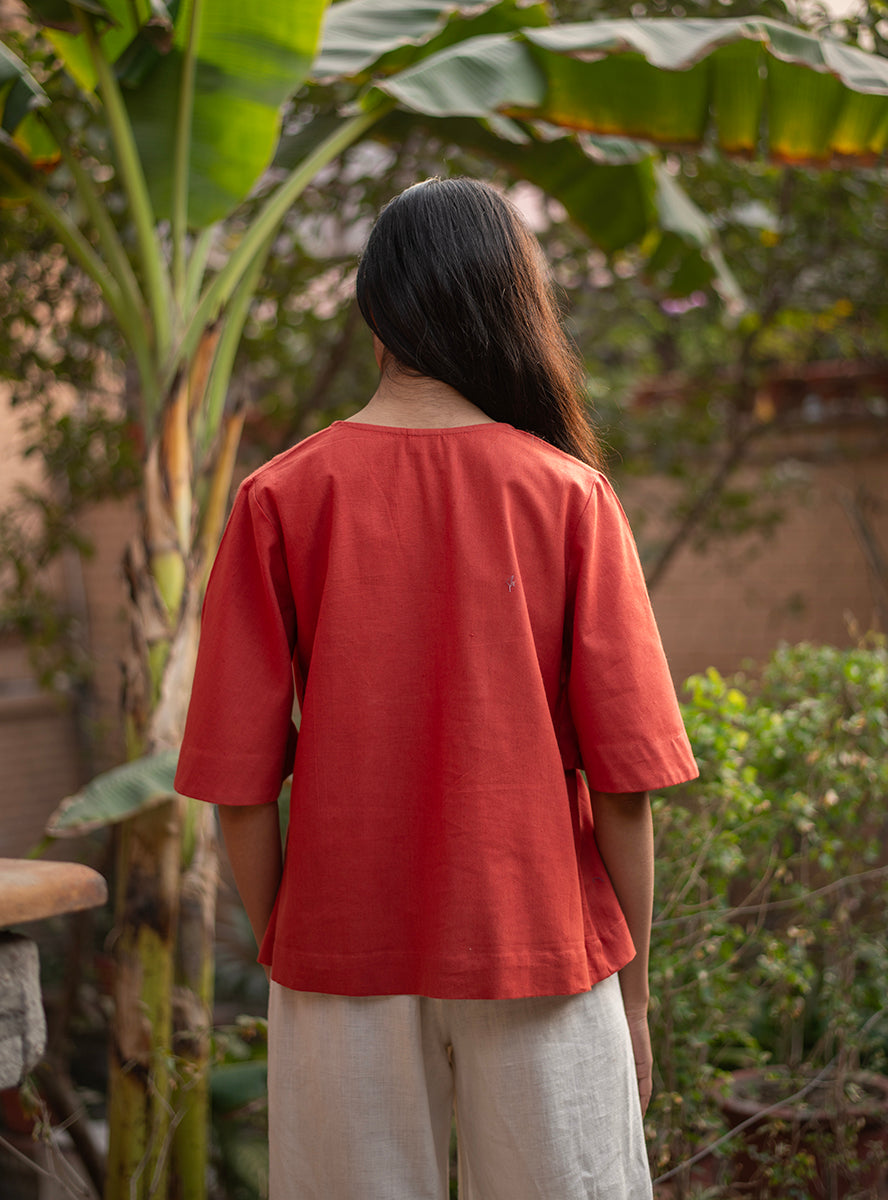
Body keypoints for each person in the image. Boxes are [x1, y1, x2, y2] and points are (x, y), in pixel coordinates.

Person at [175, 177, 698, 1200]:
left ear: (378, 308)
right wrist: (634, 995)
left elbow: (239, 786)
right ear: (511, 303)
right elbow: (626, 785)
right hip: (542, 944)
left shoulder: (278, 497)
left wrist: (299, 934)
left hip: (338, 957)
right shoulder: (570, 496)